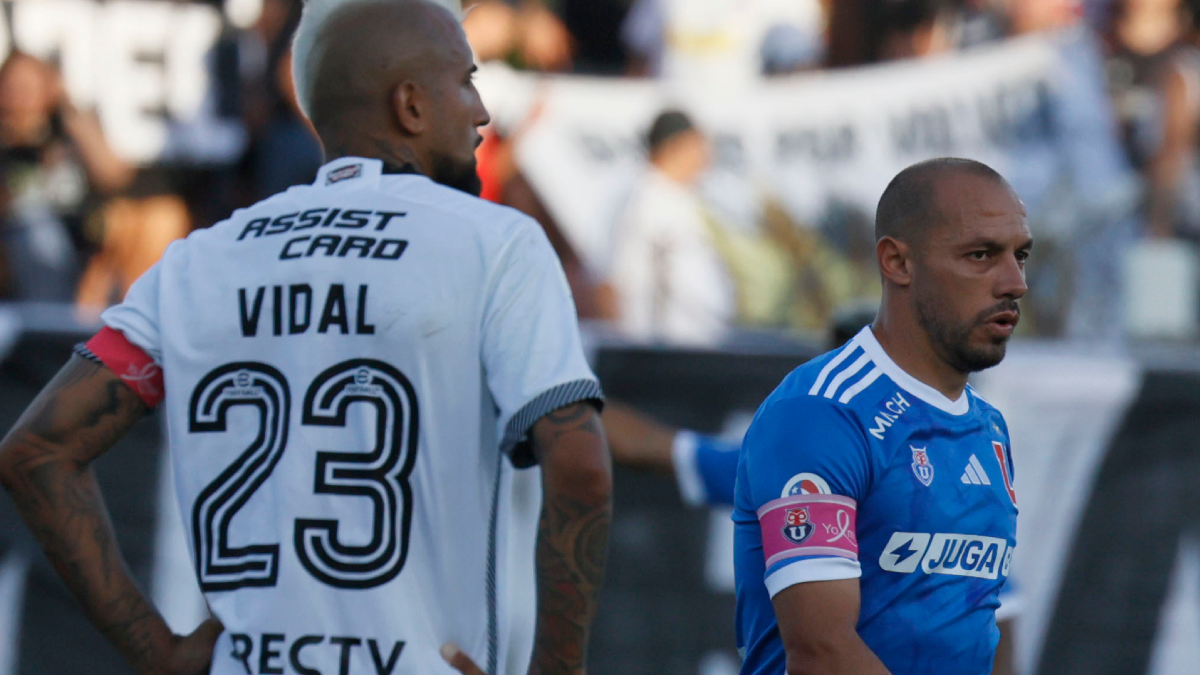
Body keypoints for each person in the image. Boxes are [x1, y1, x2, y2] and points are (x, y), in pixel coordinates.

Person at [0, 3, 611, 675]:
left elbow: (37, 450)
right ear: (409, 104)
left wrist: (155, 650)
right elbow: (580, 464)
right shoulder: (496, 244)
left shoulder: (200, 260)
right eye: (466, 81)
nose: (482, 111)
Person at [734, 158, 1029, 675]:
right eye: (980, 255)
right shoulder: (822, 413)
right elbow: (821, 655)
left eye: (1020, 256)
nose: (1015, 282)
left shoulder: (988, 427)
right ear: (897, 262)